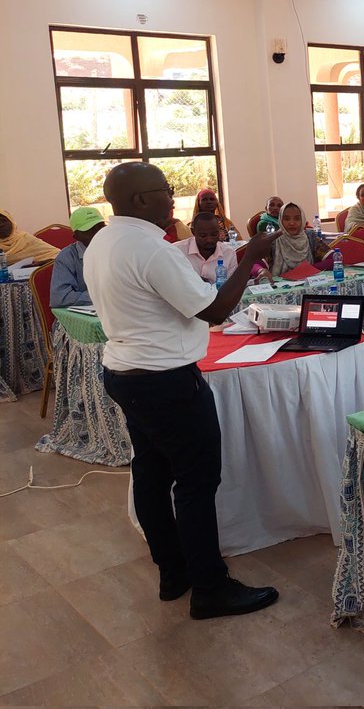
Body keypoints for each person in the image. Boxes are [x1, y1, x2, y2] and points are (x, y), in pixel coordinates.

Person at [83, 161, 279, 618]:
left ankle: (173, 574)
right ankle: (211, 589)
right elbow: (212, 311)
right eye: (164, 189)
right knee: (195, 481)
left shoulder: (104, 241)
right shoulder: (155, 251)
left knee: (151, 475)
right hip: (167, 381)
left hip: (126, 374)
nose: (173, 196)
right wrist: (249, 256)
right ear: (138, 200)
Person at [257, 202, 330, 281]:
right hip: (280, 287)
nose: (292, 223)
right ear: (280, 220)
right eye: (286, 219)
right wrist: (261, 270)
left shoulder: (310, 237)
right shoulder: (274, 240)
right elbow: (256, 263)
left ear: (303, 220)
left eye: (297, 219)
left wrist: (307, 270)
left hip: (308, 284)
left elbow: (334, 258)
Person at [50, 207, 105, 307]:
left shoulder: (116, 249)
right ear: (76, 236)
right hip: (83, 317)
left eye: (101, 227)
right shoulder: (66, 257)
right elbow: (60, 297)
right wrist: (104, 297)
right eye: (90, 230)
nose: (98, 234)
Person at [175, 212, 238, 283]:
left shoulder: (229, 253)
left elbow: (231, 285)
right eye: (203, 235)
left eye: (214, 234)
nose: (209, 240)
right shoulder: (177, 250)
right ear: (193, 232)